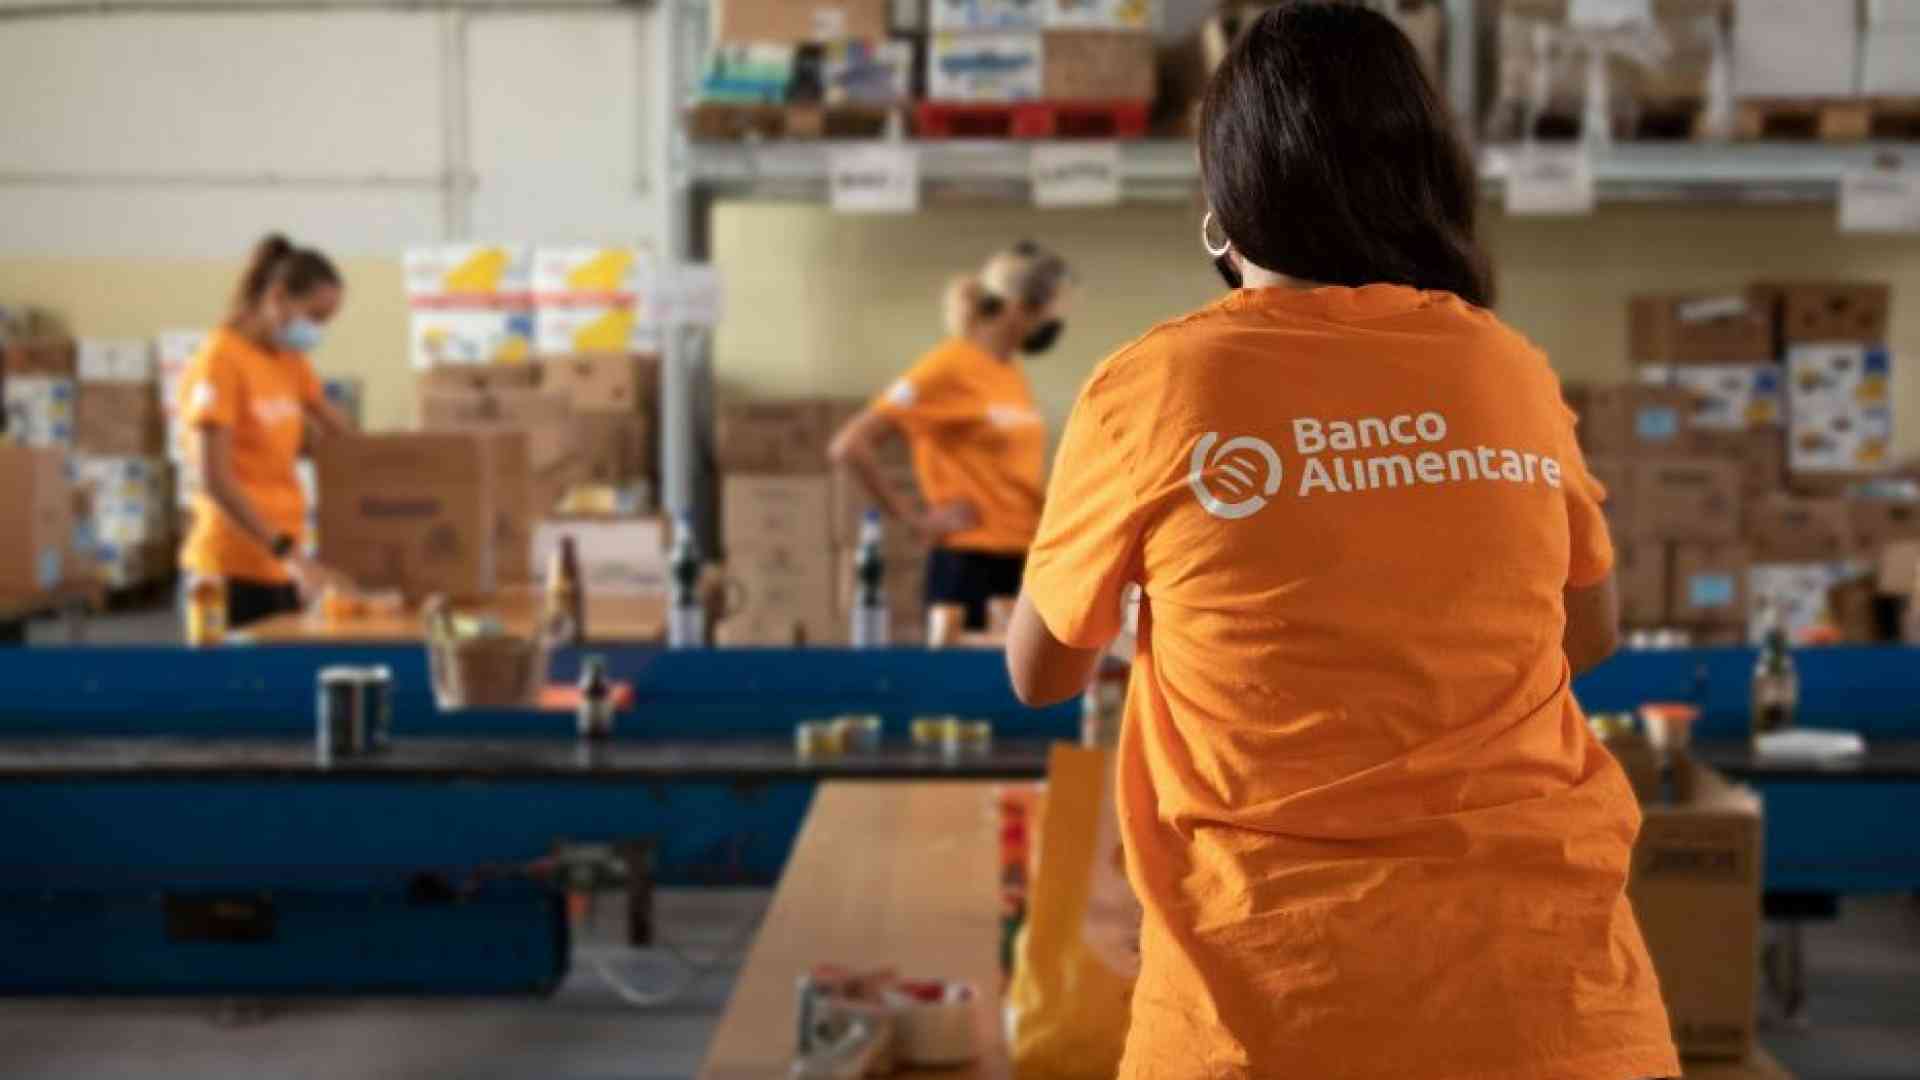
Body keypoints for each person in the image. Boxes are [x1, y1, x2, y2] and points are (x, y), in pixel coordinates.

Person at [1005, 6, 1679, 1080]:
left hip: (1268, 1009)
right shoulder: (1503, 368)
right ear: (1427, 181)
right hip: (1552, 1010)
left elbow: (1042, 674)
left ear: (1226, 201)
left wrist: (1193, 624)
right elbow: (1584, 635)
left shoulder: (1154, 386)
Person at [829, 242, 1072, 631]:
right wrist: (915, 519)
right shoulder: (947, 367)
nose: (1056, 325)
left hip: (1021, 559)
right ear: (1021, 307)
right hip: (968, 565)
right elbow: (849, 446)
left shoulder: (1008, 370)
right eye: (1053, 313)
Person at [178, 233, 356, 629]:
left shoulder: (290, 361)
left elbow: (342, 435)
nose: (317, 331)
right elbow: (214, 479)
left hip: (282, 565)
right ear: (277, 297)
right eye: (314, 317)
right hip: (229, 569)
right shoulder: (220, 361)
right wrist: (289, 554)